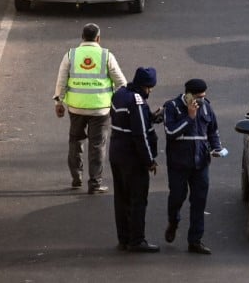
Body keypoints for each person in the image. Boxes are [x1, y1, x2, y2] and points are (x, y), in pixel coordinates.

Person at [53, 22, 127, 194]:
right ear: (98, 38)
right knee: (97, 146)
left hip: (76, 108)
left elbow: (61, 80)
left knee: (75, 141)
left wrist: (58, 102)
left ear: (82, 37)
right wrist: (117, 103)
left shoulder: (71, 55)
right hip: (100, 109)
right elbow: (122, 83)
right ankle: (94, 183)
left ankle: (76, 177)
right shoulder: (106, 55)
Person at [163, 78, 225, 256]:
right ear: (188, 95)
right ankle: (173, 222)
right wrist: (189, 117)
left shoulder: (206, 107)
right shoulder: (172, 107)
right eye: (197, 98)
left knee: (199, 201)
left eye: (203, 97)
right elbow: (171, 133)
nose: (200, 101)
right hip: (179, 164)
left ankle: (195, 240)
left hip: (201, 163)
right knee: (177, 197)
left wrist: (216, 148)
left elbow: (213, 130)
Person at [109, 67, 160, 253]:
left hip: (116, 153)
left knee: (121, 198)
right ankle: (137, 240)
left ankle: (123, 238)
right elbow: (140, 135)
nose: (150, 91)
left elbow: (122, 119)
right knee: (138, 199)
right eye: (149, 87)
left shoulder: (120, 94)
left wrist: (150, 117)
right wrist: (149, 160)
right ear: (144, 86)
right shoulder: (137, 102)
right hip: (133, 158)